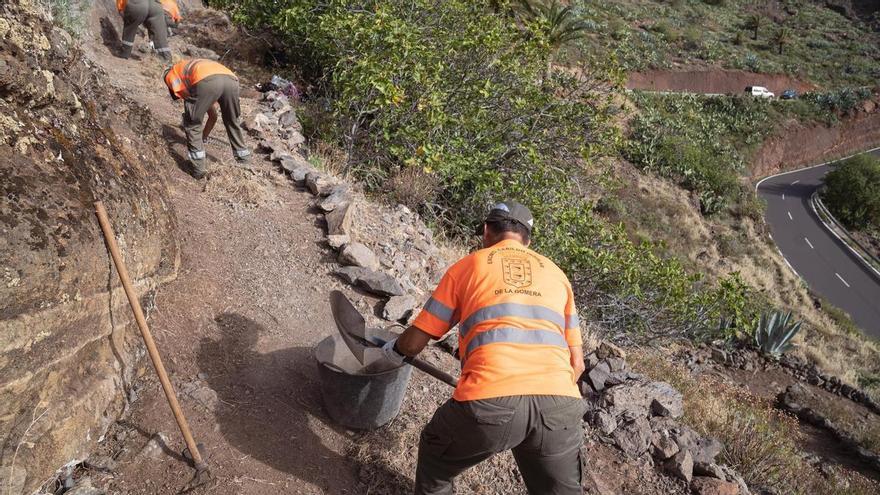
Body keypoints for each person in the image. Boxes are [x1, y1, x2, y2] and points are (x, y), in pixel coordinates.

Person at [382, 201, 586, 495]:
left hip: (490, 399)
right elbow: (577, 365)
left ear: (487, 231)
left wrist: (393, 351)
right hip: (560, 406)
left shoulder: (468, 266)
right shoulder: (558, 276)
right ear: (527, 240)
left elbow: (414, 343)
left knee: (436, 460)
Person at [163, 59, 251, 178]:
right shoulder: (191, 69)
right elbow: (213, 116)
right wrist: (203, 137)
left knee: (192, 124)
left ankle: (198, 169)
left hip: (207, 81)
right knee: (232, 121)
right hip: (231, 80)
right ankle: (245, 161)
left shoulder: (170, 74)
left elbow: (185, 97)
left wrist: (190, 117)